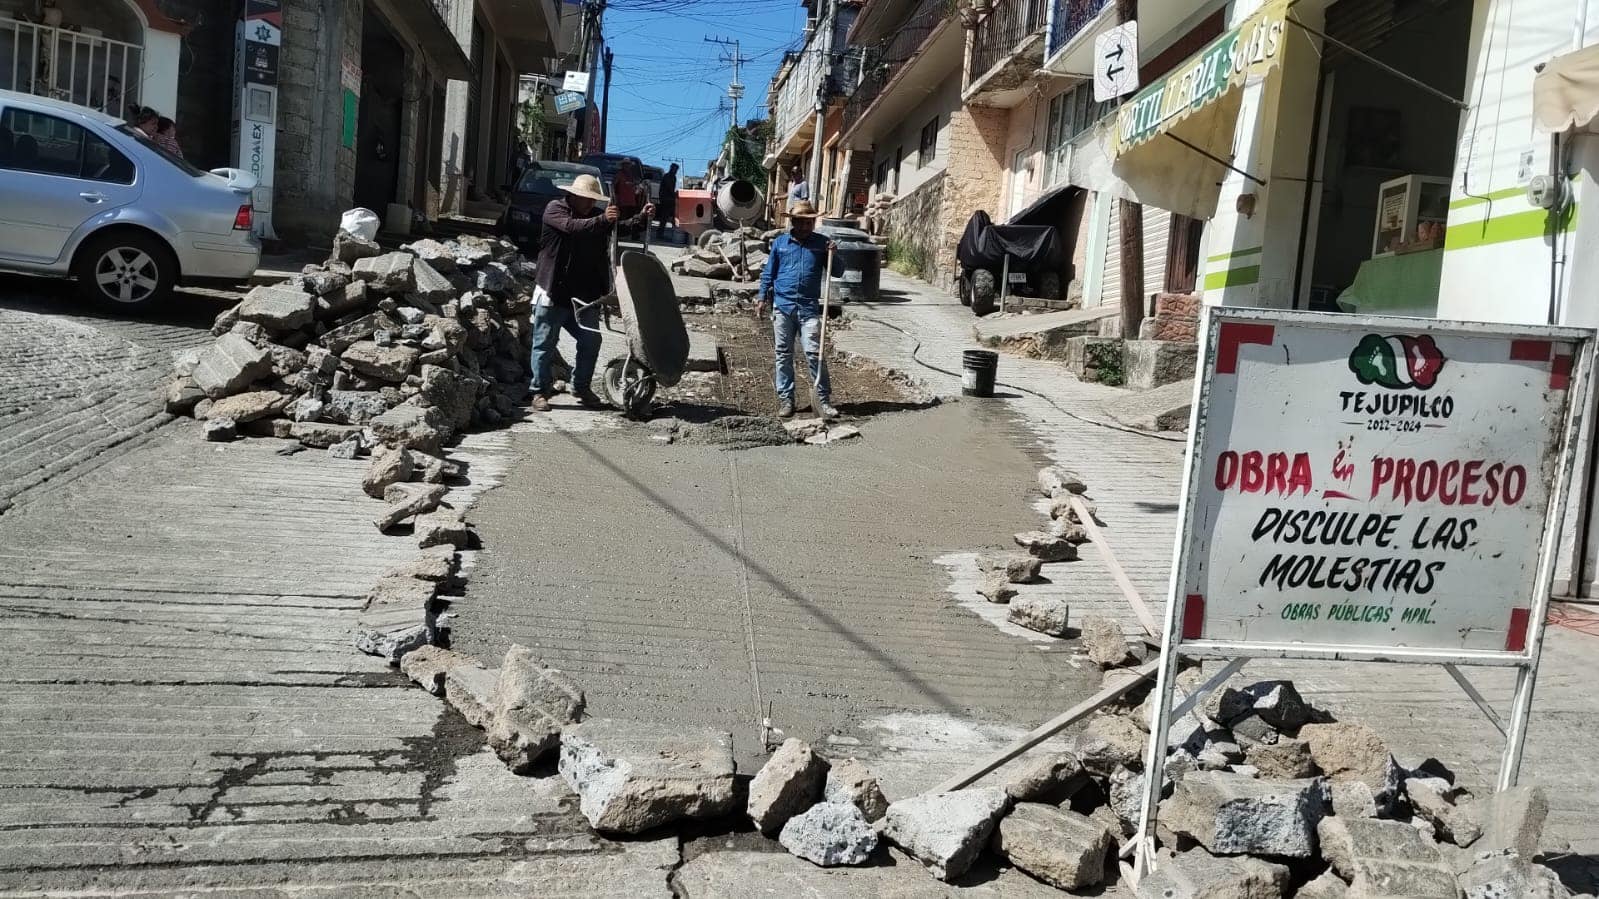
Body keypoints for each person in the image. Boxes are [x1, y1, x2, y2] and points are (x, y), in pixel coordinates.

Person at [530, 173, 652, 412]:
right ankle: (538, 391)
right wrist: (603, 220)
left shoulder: (596, 216)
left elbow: (618, 229)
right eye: (585, 198)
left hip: (584, 295)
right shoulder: (555, 209)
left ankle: (581, 386)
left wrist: (641, 219)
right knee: (544, 343)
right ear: (573, 195)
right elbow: (572, 228)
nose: (589, 203)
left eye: (592, 199)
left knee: (591, 340)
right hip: (554, 289)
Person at [757, 200, 838, 420]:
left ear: (813, 223)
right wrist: (762, 296)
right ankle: (786, 399)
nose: (804, 227)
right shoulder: (780, 243)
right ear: (792, 221)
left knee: (814, 353)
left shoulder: (822, 243)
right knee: (783, 354)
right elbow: (769, 273)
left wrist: (834, 253)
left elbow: (838, 271)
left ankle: (822, 399)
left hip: (809, 308)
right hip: (783, 307)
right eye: (800, 222)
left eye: (808, 223)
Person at [654, 162, 678, 237]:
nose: (675, 171)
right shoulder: (667, 176)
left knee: (673, 216)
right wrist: (674, 195)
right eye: (674, 169)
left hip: (670, 199)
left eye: (676, 170)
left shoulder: (674, 177)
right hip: (665, 199)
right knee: (664, 217)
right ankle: (660, 233)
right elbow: (669, 188)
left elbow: (672, 188)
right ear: (671, 168)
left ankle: (672, 233)